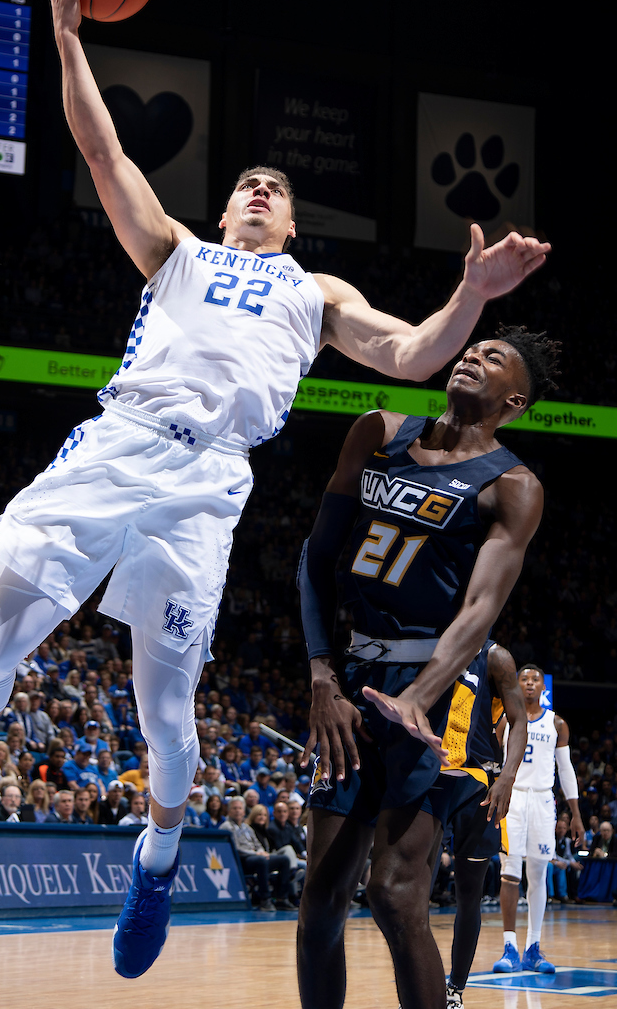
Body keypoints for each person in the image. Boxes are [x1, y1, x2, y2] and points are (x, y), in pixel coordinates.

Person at [0, 0, 550, 986]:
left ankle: (156, 858)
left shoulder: (314, 295)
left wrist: (472, 297)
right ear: (225, 213)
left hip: (206, 486)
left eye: (276, 185)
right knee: (2, 624)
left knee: (164, 710)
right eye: (247, 184)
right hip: (116, 445)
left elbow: (411, 354)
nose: (263, 187)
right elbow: (102, 153)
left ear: (289, 221)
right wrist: (64, 34)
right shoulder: (176, 249)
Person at [296, 327, 557, 1009]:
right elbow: (318, 558)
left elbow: (479, 611)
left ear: (515, 400)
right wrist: (323, 675)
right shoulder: (377, 431)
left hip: (429, 699)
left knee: (394, 893)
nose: (473, 355)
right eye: (472, 348)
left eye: (493, 357)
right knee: (320, 900)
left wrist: (416, 698)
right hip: (349, 687)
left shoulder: (514, 486)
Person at [443, 641, 528, 1007]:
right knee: (403, 895)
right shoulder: (425, 640)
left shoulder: (495, 657)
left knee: (469, 897)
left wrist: (507, 777)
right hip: (428, 776)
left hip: (478, 786)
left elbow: (519, 720)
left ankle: (454, 991)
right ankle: (416, 988)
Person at [493, 665, 584, 975]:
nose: (530, 683)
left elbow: (567, 770)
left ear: (543, 686)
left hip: (544, 800)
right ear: (517, 685)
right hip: (513, 798)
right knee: (510, 872)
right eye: (524, 679)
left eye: (535, 679)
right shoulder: (506, 721)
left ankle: (533, 947)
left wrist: (576, 814)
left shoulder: (557, 723)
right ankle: (509, 948)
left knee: (538, 872)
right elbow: (496, 763)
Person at [220, 795, 291, 911]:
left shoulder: (247, 827)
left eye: (240, 808)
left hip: (256, 857)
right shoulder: (226, 826)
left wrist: (262, 852)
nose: (237, 811)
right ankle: (265, 900)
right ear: (228, 811)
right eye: (234, 808)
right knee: (261, 860)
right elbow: (235, 849)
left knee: (284, 859)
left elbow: (258, 844)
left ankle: (282, 898)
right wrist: (256, 854)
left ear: (244, 811)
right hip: (241, 860)